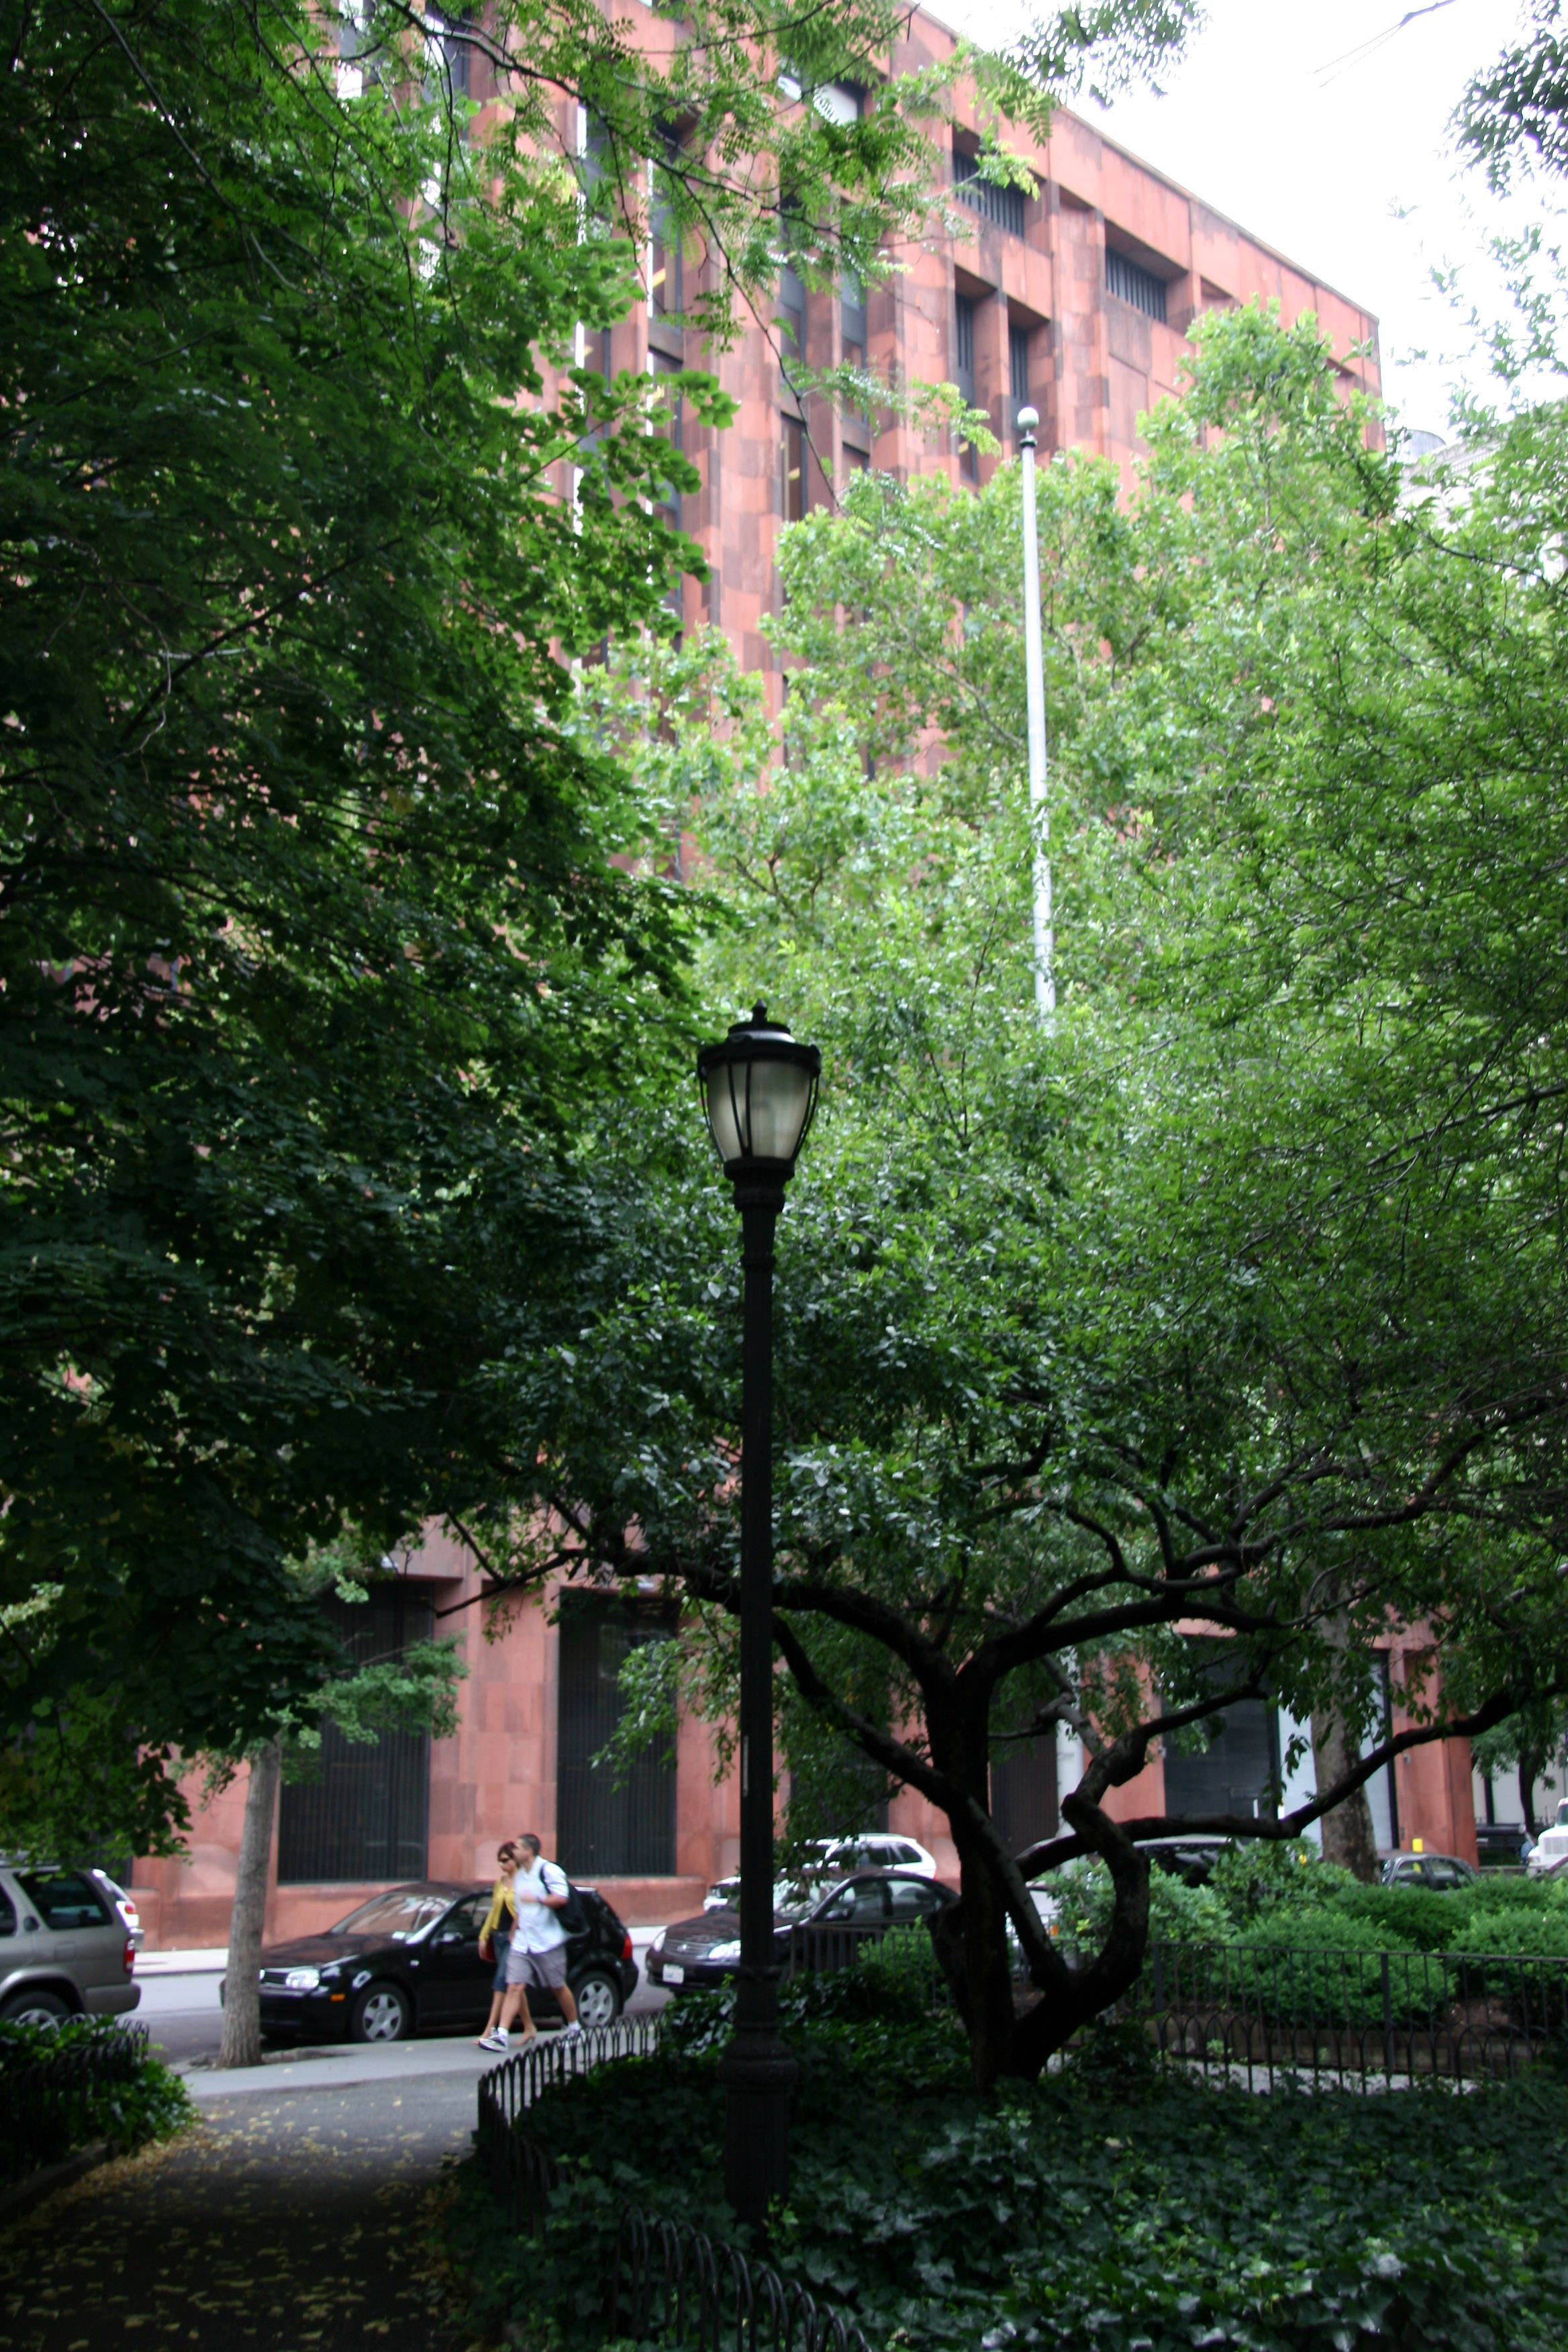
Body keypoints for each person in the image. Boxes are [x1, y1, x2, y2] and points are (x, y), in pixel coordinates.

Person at [481, 1832, 580, 2051]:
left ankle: (575, 2028)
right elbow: (521, 1909)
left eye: (516, 1848)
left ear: (528, 1851)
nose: (513, 1851)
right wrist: (514, 1931)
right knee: (514, 1985)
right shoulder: (521, 1875)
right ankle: (502, 2036)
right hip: (523, 1941)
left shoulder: (548, 1870)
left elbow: (561, 1898)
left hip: (547, 1941)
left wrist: (537, 1899)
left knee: (557, 1986)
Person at [475, 1843, 522, 2050]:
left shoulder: (523, 1882)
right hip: (499, 1936)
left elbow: (522, 1913)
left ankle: (490, 2029)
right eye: (499, 1860)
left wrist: (514, 1934)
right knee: (513, 1986)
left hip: (515, 1939)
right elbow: (493, 1911)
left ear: (515, 1860)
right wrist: (484, 1936)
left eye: (505, 1860)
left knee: (501, 1981)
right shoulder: (500, 1882)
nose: (502, 1864)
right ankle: (529, 2027)